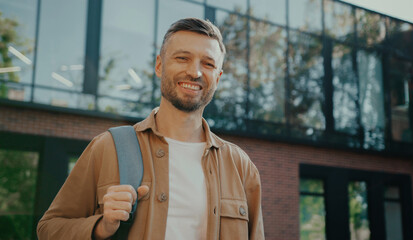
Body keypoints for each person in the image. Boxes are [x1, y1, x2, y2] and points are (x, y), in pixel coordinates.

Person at [37, 18, 264, 240]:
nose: (195, 72)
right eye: (182, 58)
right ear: (159, 65)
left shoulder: (240, 166)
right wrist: (101, 227)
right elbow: (49, 229)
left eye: (208, 64)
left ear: (218, 77)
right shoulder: (108, 147)